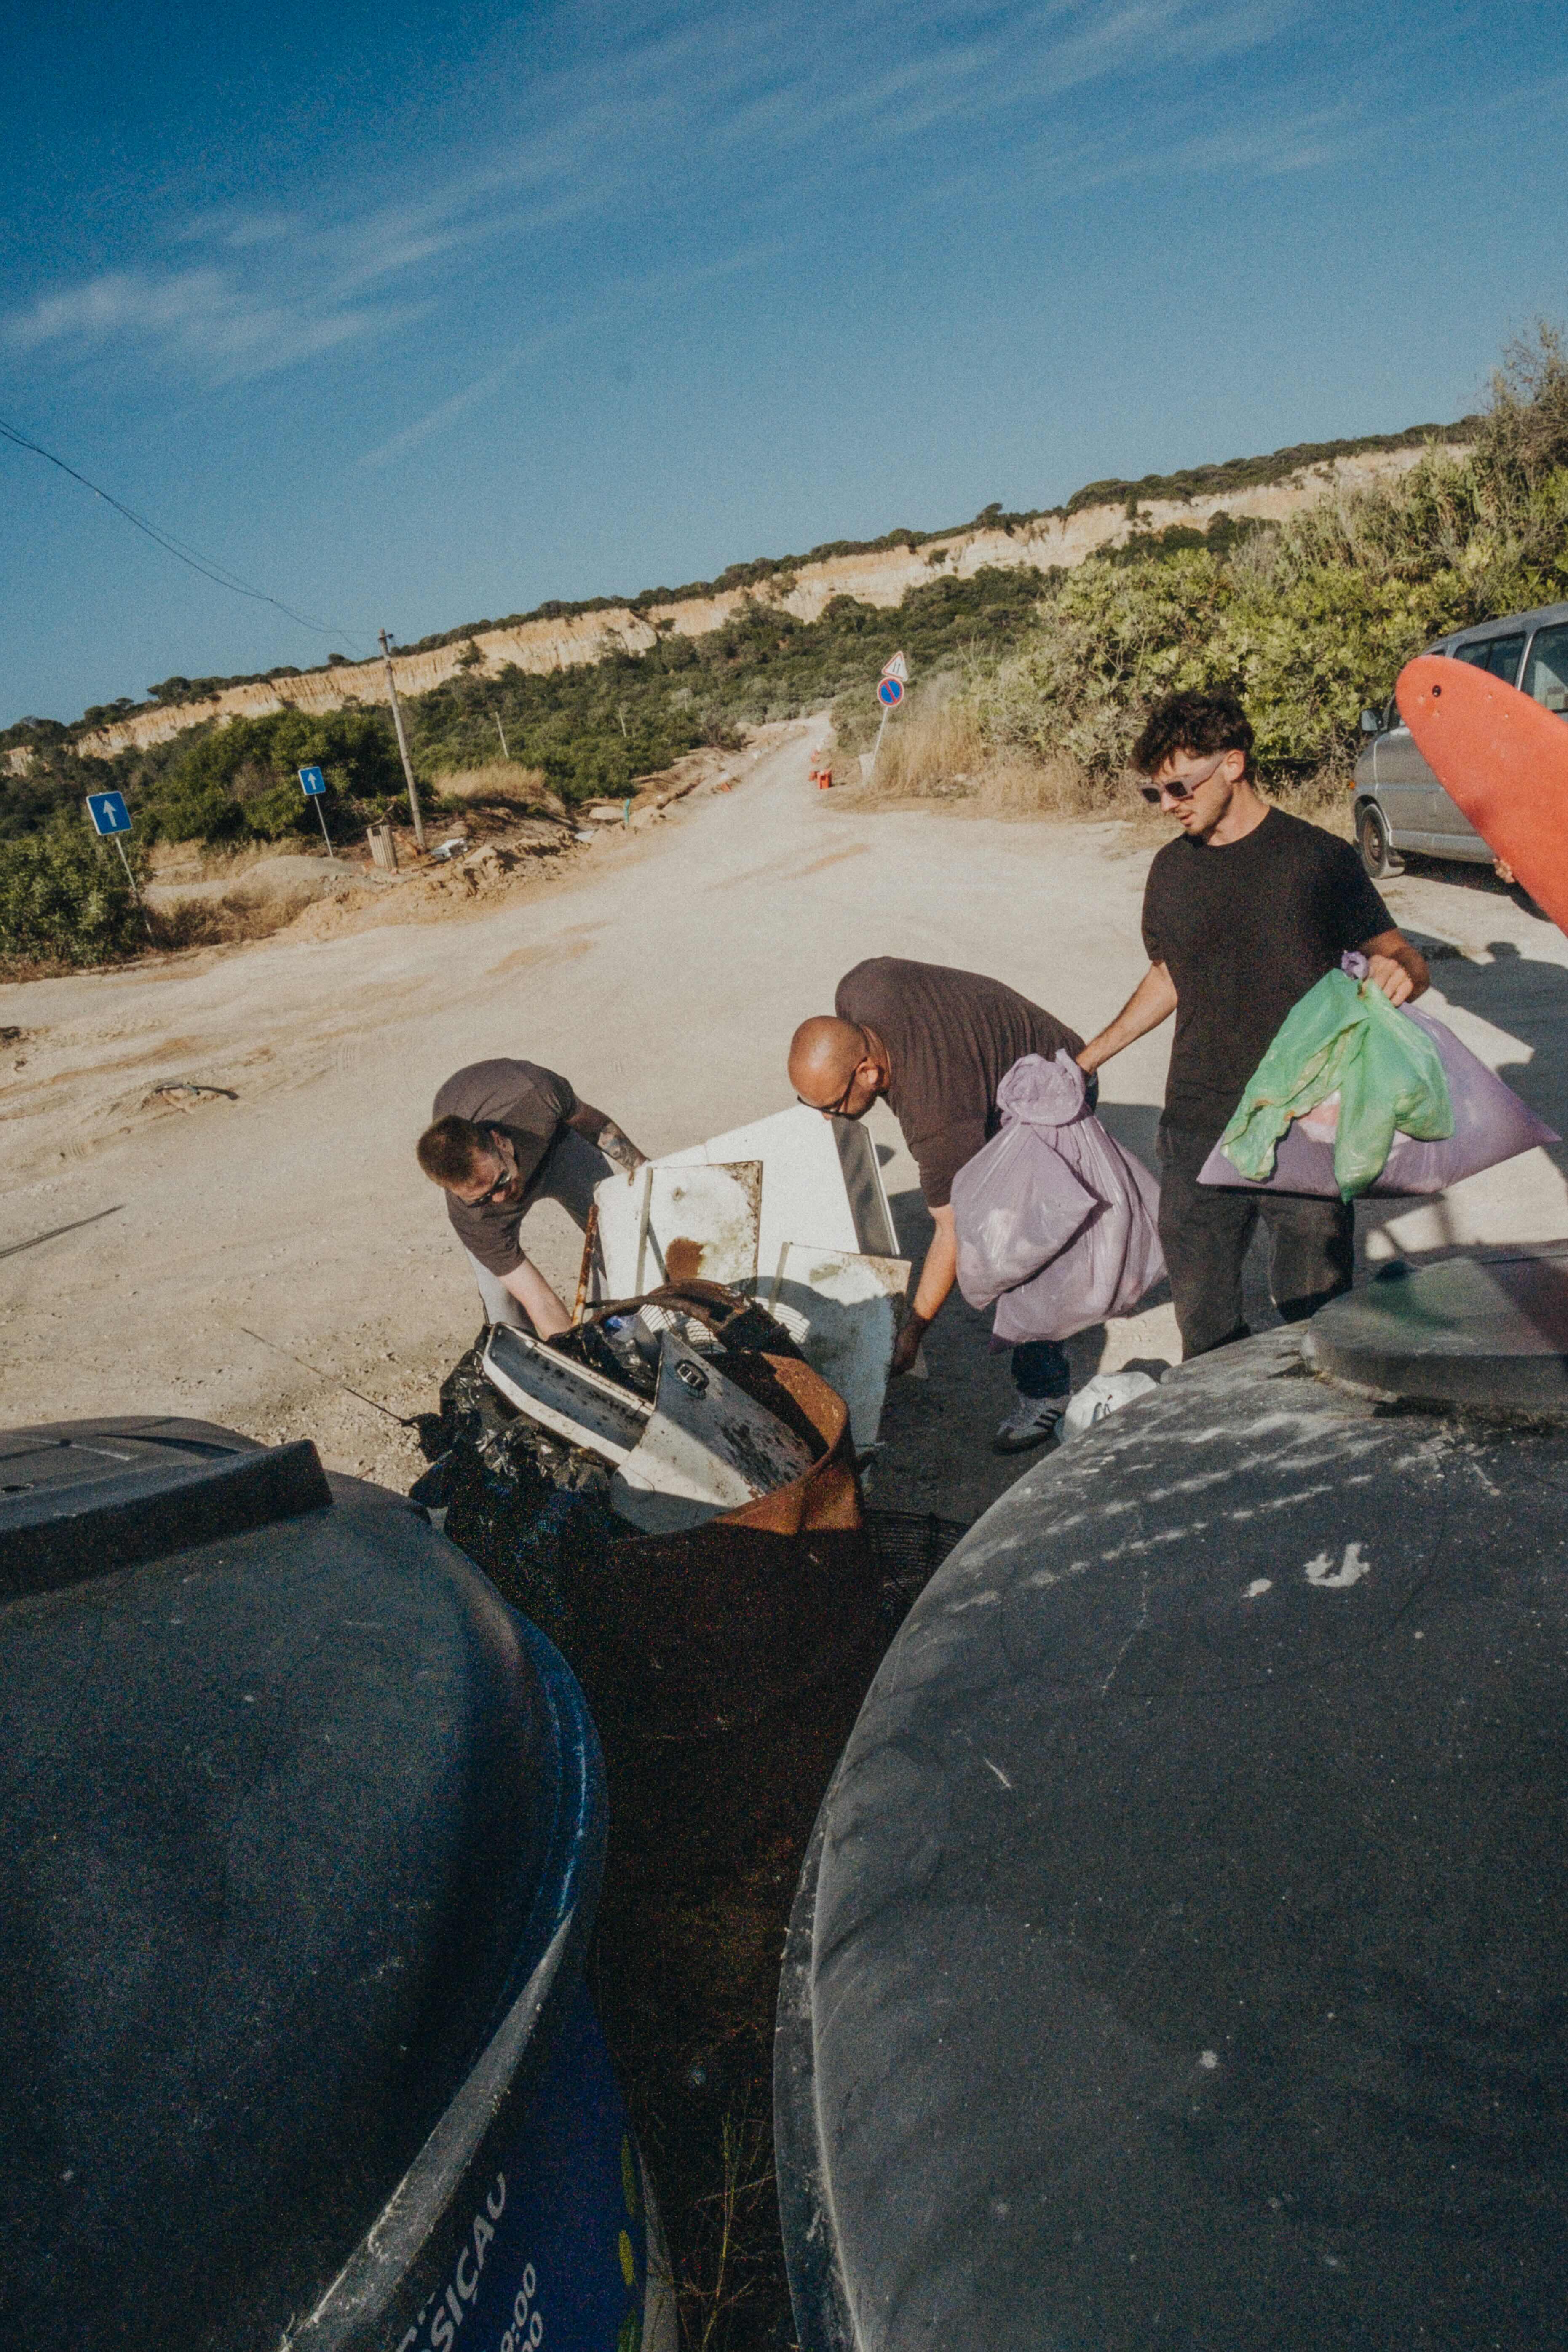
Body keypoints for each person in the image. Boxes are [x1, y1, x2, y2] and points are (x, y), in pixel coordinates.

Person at [1075, 690, 1430, 1361]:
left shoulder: (1316, 859)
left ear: (1233, 764)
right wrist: (1087, 1057)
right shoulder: (1170, 870)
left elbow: (1396, 951)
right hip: (1196, 1123)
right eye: (1154, 793)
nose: (1169, 805)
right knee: (1203, 1325)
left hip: (1303, 1118)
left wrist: (1403, 971)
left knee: (1316, 1319)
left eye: (1179, 785)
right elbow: (1170, 975)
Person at [789, 957, 1086, 1453]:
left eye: (833, 1106)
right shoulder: (858, 989)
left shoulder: (936, 1121)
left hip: (1055, 1081)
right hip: (990, 1071)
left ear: (868, 1070)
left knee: (1011, 1244)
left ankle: (1046, 1393)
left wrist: (913, 1333)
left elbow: (953, 1232)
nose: (827, 1119)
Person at [417, 1060, 646, 1337]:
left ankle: (620, 1335)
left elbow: (594, 1125)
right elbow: (539, 1300)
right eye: (483, 1198)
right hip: (492, 1201)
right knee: (502, 1302)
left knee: (618, 1244)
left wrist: (643, 1168)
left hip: (558, 1150)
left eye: (500, 1180)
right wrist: (573, 1359)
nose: (500, 1198)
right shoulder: (471, 1215)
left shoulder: (535, 1095)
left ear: (499, 1141)